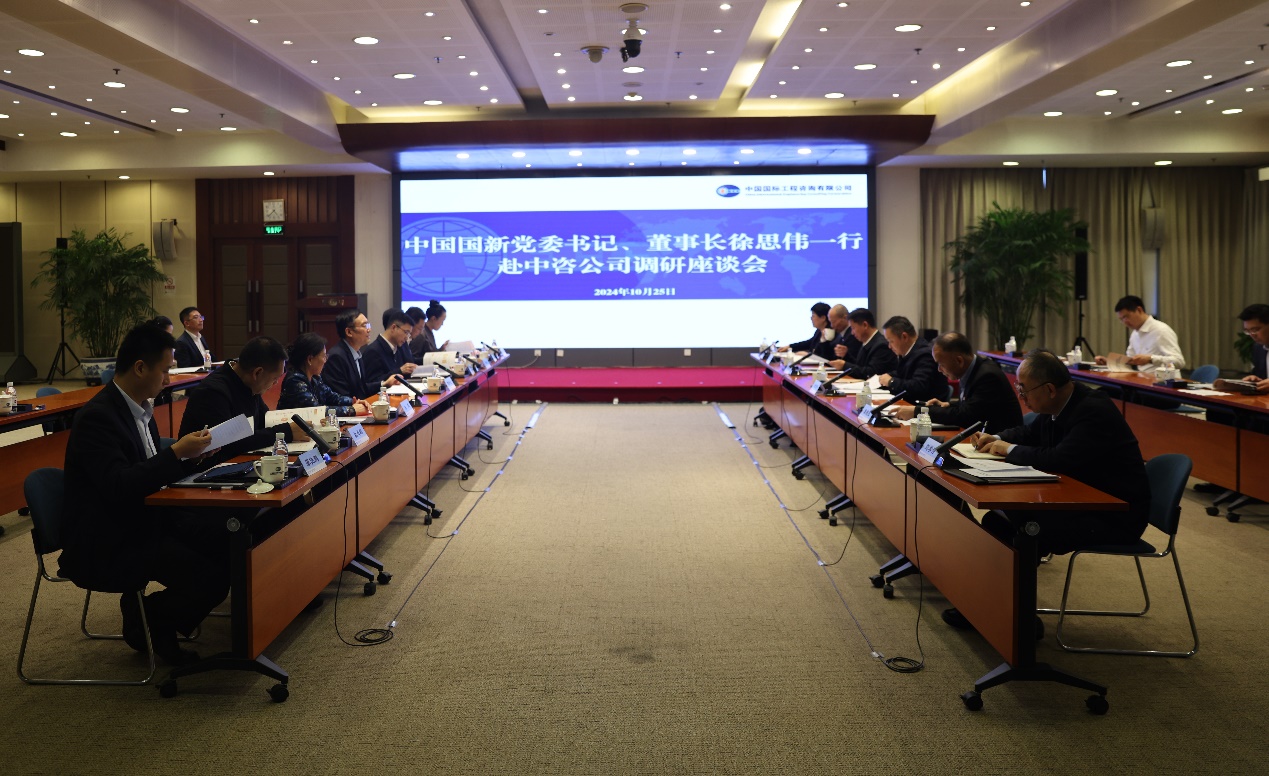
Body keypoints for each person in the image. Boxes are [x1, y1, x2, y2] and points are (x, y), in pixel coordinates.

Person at [59, 321, 222, 666]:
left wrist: (189, 458)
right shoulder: (97, 418)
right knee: (208, 578)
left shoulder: (141, 409)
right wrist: (175, 453)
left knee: (226, 544)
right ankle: (148, 619)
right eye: (165, 371)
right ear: (139, 368)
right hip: (110, 535)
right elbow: (120, 486)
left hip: (146, 517)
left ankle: (148, 615)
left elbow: (150, 474)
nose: (168, 380)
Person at [179, 336, 306, 461]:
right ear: (257, 372)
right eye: (275, 378)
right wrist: (286, 432)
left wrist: (293, 427)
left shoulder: (248, 383)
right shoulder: (213, 392)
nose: (276, 383)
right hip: (205, 468)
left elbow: (264, 420)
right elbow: (230, 444)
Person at [892, 332, 1024, 432]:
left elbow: (965, 416)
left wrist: (919, 411)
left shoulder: (987, 376)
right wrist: (948, 404)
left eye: (941, 364)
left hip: (1000, 444)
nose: (939, 369)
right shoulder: (970, 369)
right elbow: (972, 405)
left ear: (959, 361)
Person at [278, 332, 371, 417]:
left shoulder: (315, 378)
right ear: (310, 359)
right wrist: (351, 410)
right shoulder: (295, 381)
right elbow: (316, 412)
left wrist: (353, 402)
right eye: (323, 356)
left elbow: (332, 397)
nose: (325, 361)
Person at [1094, 295, 1186, 372]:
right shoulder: (1135, 333)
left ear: (1139, 310)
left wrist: (1151, 359)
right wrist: (1109, 362)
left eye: (1126, 317)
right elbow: (1130, 361)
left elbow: (1179, 361)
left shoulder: (1161, 330)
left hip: (1162, 381)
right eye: (1121, 319)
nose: (1125, 322)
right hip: (1143, 379)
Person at [323, 309, 400, 400]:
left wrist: (385, 383)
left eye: (368, 325)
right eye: (364, 326)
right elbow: (341, 396)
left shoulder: (356, 353)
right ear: (349, 332)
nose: (369, 329)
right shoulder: (336, 357)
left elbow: (361, 389)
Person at [876, 316, 948, 403]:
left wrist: (891, 381)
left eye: (891, 341)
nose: (889, 346)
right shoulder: (908, 351)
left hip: (925, 407)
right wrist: (885, 376)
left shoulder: (925, 355)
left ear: (904, 337)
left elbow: (918, 387)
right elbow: (903, 373)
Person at [1215, 303, 1269, 394]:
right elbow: (1262, 378)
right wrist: (1254, 379)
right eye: (1248, 331)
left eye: (1255, 329)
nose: (1252, 335)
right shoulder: (1258, 348)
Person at [829, 308, 897, 379]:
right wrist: (846, 356)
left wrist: (845, 365)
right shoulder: (866, 341)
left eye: (853, 328)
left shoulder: (881, 346)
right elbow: (860, 366)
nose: (852, 333)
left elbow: (871, 373)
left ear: (865, 325)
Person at [362, 308, 420, 385]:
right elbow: (372, 383)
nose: (407, 338)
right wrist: (400, 371)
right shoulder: (373, 351)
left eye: (409, 334)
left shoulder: (398, 348)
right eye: (406, 332)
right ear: (394, 328)